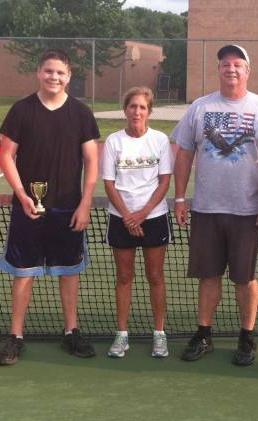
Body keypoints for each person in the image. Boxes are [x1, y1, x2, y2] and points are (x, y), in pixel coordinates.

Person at [172, 45, 258, 365]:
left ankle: (246, 337)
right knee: (208, 276)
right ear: (219, 69)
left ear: (247, 71)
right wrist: (180, 197)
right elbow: (183, 154)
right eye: (225, 64)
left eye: (238, 64)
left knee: (244, 278)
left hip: (248, 212)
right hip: (206, 210)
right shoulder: (200, 107)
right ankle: (204, 333)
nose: (231, 69)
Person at [0, 49, 100, 365]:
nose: (54, 77)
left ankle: (70, 332)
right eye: (48, 71)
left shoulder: (81, 113)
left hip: (68, 209)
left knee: (69, 272)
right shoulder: (21, 110)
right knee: (23, 272)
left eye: (60, 73)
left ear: (69, 77)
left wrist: (85, 203)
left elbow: (92, 161)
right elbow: (5, 156)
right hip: (29, 208)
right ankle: (15, 337)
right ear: (39, 73)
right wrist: (22, 194)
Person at [102, 87, 174, 358]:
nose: (137, 112)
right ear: (125, 110)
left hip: (153, 218)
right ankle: (121, 336)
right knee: (123, 277)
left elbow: (164, 180)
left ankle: (159, 334)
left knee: (155, 276)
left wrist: (142, 214)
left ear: (149, 112)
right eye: (132, 106)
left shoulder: (160, 140)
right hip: (120, 218)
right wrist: (128, 216)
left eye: (142, 107)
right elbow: (109, 183)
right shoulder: (113, 141)